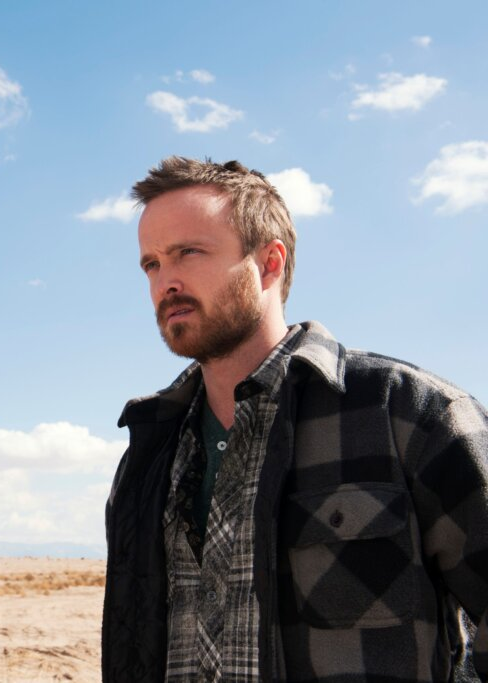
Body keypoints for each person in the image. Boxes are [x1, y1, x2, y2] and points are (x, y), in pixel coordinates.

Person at [102, 156, 488, 682]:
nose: (166, 281)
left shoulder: (409, 414)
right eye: (151, 264)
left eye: (188, 253)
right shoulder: (148, 453)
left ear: (269, 262)